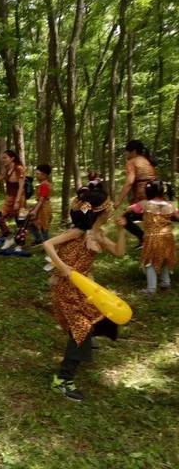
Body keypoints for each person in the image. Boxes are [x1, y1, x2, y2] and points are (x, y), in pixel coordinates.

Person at [43, 182, 126, 401]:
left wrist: (121, 230)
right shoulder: (78, 232)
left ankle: (84, 343)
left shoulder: (97, 234)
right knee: (81, 327)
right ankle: (63, 380)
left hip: (83, 287)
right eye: (109, 208)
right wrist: (65, 269)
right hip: (66, 286)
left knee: (92, 322)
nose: (111, 212)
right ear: (102, 211)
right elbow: (48, 244)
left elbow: (119, 252)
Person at [123, 180, 177, 295]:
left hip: (152, 237)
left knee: (149, 262)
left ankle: (151, 289)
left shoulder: (144, 204)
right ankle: (165, 283)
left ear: (148, 191)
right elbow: (177, 215)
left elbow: (129, 209)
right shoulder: (170, 205)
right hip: (167, 236)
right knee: (165, 259)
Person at [114, 140, 156, 247]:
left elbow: (129, 182)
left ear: (133, 151)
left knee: (124, 218)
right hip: (155, 195)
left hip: (143, 198)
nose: (126, 154)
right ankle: (146, 241)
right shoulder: (147, 160)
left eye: (127, 152)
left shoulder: (132, 162)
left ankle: (143, 239)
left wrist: (119, 200)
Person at [0, 150, 26, 249]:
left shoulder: (19, 169)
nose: (3, 160)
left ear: (12, 158)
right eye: (2, 158)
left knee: (20, 221)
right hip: (9, 198)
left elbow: (21, 187)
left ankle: (20, 245)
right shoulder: (7, 168)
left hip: (19, 198)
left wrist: (17, 201)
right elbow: (0, 177)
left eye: (5, 157)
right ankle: (9, 238)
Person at [28, 164, 52, 246]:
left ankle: (48, 244)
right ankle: (38, 239)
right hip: (40, 207)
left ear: (44, 175)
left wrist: (35, 210)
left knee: (43, 227)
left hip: (44, 208)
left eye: (38, 174)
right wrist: (34, 208)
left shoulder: (44, 185)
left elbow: (42, 200)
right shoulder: (42, 184)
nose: (36, 176)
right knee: (31, 223)